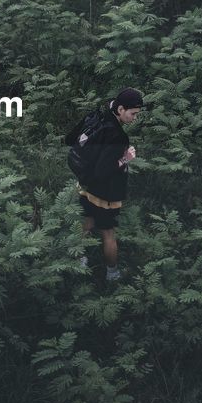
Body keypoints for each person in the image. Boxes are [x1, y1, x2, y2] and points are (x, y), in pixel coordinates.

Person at [63, 87, 143, 281]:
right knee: (108, 233)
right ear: (121, 109)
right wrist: (126, 158)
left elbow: (69, 139)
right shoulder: (118, 136)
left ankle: (79, 261)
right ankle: (112, 274)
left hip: (85, 183)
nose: (134, 118)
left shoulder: (96, 116)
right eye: (132, 114)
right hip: (105, 191)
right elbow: (104, 171)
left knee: (86, 223)